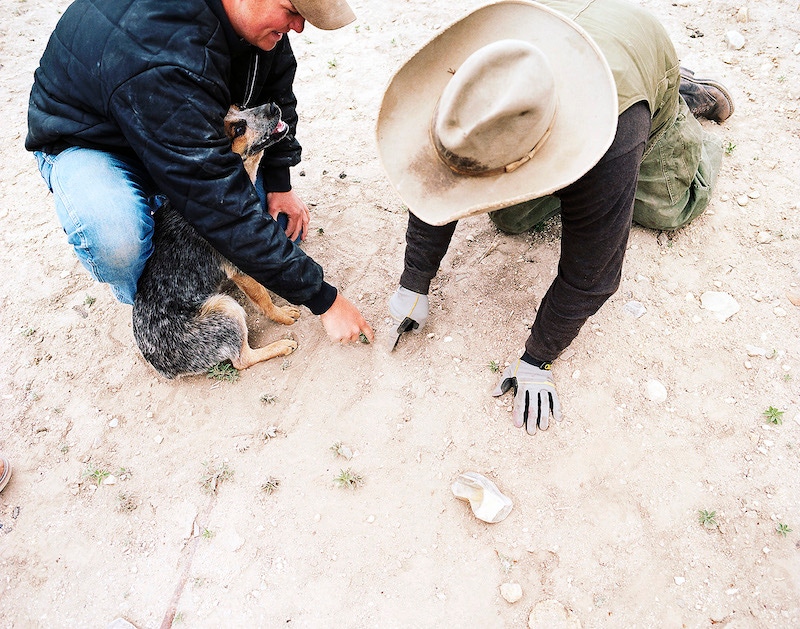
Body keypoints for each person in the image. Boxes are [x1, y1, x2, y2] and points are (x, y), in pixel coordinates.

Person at [377, 0, 733, 435]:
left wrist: (538, 357)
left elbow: (594, 271)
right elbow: (438, 176)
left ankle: (680, 99)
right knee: (510, 219)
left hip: (631, 70)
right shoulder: (474, 82)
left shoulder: (614, 134)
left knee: (669, 207)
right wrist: (414, 279)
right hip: (558, 39)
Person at [26, 0, 374, 344]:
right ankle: (161, 306)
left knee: (280, 232)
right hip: (93, 141)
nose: (298, 27)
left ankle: (178, 225)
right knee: (117, 237)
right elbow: (223, 210)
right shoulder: (164, 50)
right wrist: (325, 300)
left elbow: (276, 97)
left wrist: (280, 183)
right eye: (292, 11)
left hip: (180, 131)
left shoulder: (258, 27)